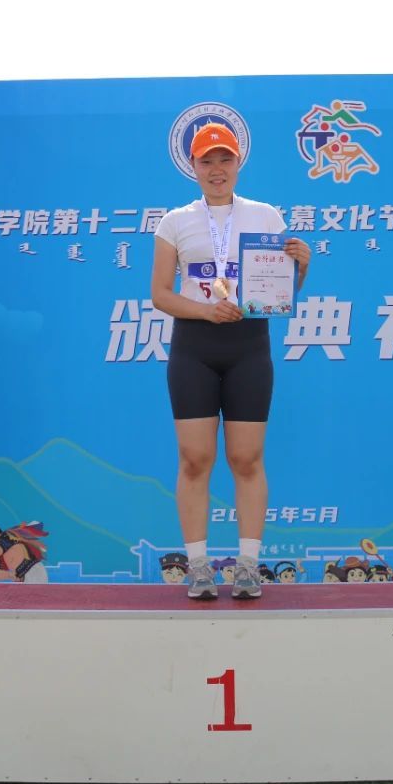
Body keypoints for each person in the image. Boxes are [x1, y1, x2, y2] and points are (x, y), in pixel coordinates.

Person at [151, 122, 311, 599]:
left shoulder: (266, 216)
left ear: (238, 163)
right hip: (194, 347)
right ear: (193, 167)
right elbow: (160, 294)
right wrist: (206, 311)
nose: (216, 169)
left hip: (248, 346)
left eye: (225, 159)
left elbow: (279, 293)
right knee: (195, 459)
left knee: (246, 457)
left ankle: (247, 566)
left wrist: (302, 266)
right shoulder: (174, 222)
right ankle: (199, 567)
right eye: (207, 161)